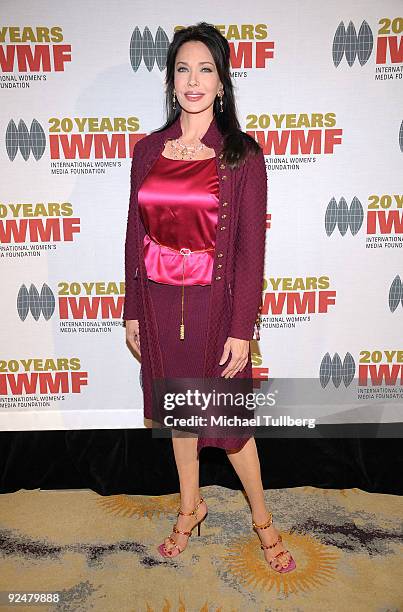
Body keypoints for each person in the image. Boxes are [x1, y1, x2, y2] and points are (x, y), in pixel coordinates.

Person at [123, 22, 296, 573]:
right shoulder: (148, 149)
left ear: (222, 83)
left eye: (205, 69)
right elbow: (135, 233)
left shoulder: (242, 156)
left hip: (213, 311)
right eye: (182, 69)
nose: (193, 80)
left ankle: (263, 520)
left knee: (229, 426)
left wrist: (242, 327)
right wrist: (131, 308)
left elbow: (250, 250)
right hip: (157, 301)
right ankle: (189, 508)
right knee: (180, 417)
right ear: (171, 81)